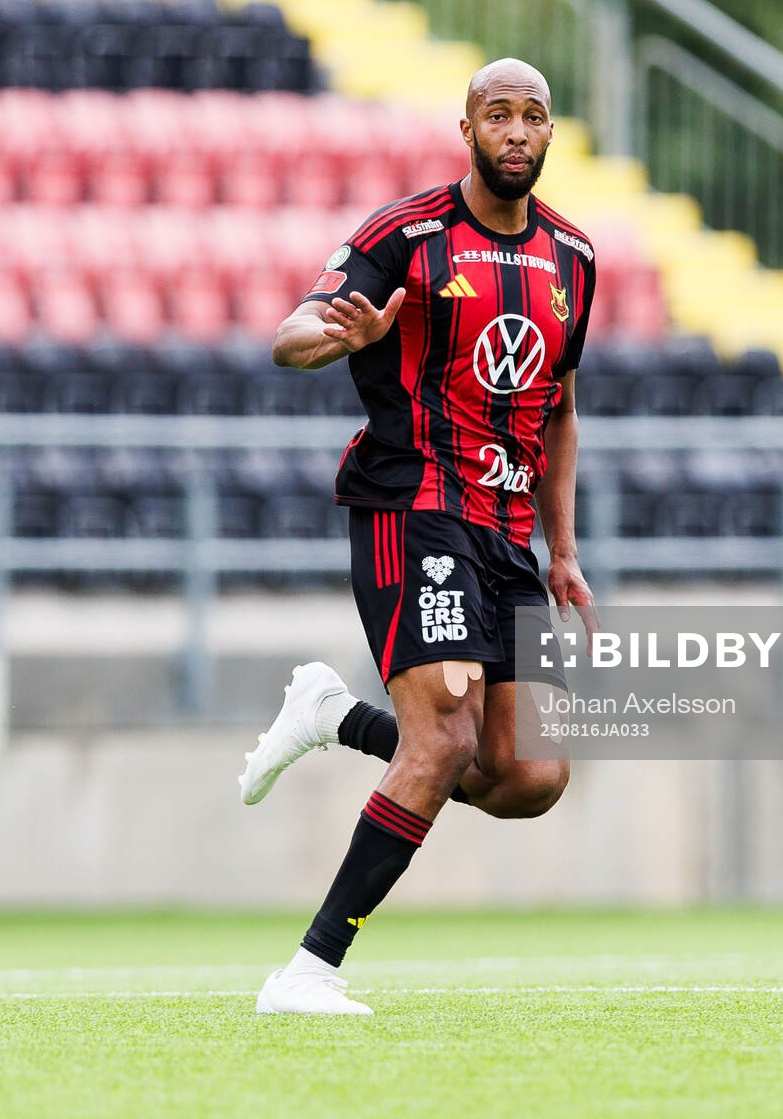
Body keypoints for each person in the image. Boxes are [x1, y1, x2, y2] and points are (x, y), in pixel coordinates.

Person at [244, 58, 596, 1014]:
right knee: (441, 740)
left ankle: (336, 716)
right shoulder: (406, 235)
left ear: (550, 132)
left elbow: (561, 408)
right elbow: (287, 337)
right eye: (498, 115)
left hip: (508, 533)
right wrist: (340, 339)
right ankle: (307, 972)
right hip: (414, 506)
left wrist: (562, 550)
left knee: (529, 775)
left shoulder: (574, 256)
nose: (516, 132)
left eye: (532, 116)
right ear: (467, 129)